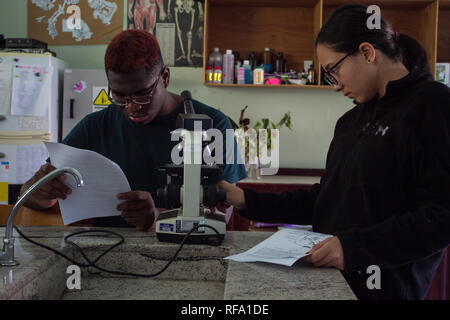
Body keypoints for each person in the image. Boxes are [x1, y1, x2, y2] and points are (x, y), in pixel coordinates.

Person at [216, 4, 450, 299]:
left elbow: (441, 216)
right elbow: (326, 199)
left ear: (367, 52)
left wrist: (352, 248)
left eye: (333, 71)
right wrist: (246, 199)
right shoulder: (351, 121)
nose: (335, 85)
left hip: (385, 289)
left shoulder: (433, 105)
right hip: (330, 284)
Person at [20, 29, 247, 231]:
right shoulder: (94, 127)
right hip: (109, 258)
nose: (132, 107)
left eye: (142, 94)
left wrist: (157, 218)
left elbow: (221, 215)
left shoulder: (211, 124)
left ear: (165, 78)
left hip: (191, 254)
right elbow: (27, 195)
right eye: (119, 96)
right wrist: (37, 192)